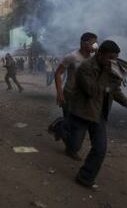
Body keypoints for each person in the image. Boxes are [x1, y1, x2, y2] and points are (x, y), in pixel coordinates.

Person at [59, 40, 127, 188]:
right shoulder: (86, 68)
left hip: (99, 114)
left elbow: (114, 90)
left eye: (115, 58)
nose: (112, 61)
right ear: (100, 54)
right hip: (82, 112)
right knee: (74, 146)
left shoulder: (110, 68)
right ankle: (60, 126)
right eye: (110, 57)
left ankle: (85, 177)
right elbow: (92, 91)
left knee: (100, 149)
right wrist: (107, 74)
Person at [48, 32, 98, 160]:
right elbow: (58, 73)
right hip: (71, 95)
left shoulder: (94, 58)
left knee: (80, 123)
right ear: (83, 43)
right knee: (72, 124)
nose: (95, 45)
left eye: (95, 42)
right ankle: (70, 147)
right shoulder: (71, 57)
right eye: (93, 42)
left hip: (85, 96)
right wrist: (59, 93)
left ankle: (61, 130)